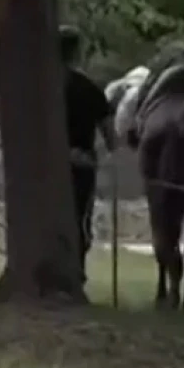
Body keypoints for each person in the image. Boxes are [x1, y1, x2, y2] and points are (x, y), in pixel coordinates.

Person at [61, 27, 116, 282]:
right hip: (80, 164)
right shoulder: (89, 88)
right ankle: (77, 270)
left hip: (41, 167)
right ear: (77, 52)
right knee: (79, 217)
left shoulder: (37, 88)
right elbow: (110, 134)